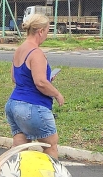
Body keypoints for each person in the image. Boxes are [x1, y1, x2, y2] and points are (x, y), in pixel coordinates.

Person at [5, 11, 64, 157]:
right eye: (48, 31)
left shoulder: (20, 50)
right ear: (40, 31)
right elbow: (41, 82)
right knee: (50, 146)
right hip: (32, 107)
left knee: (19, 147)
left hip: (13, 104)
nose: (47, 35)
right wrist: (56, 93)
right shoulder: (36, 53)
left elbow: (14, 77)